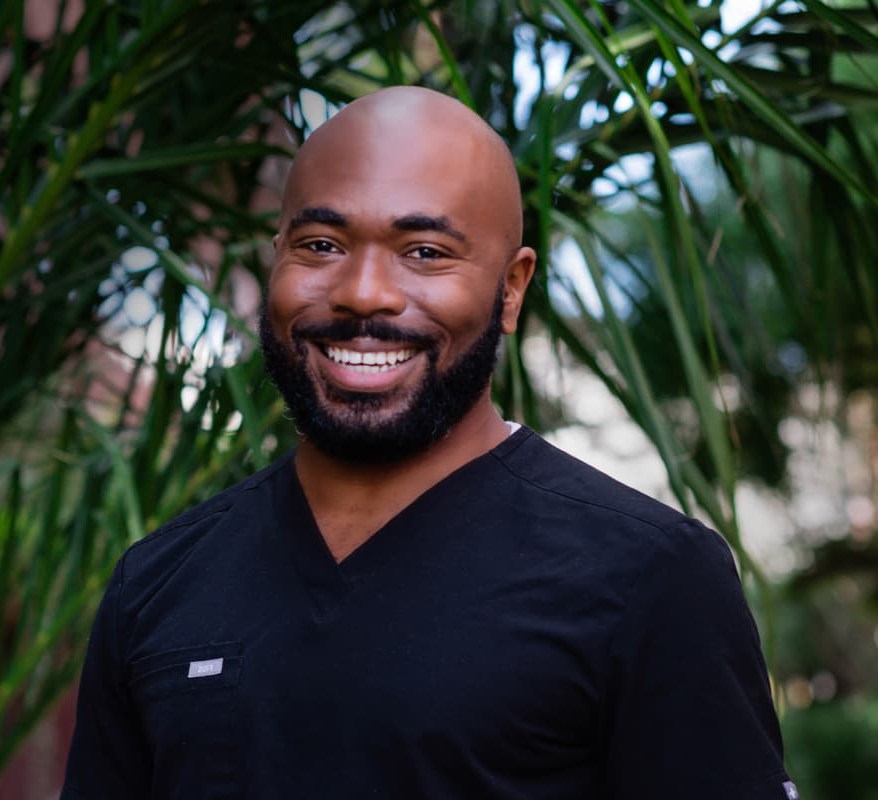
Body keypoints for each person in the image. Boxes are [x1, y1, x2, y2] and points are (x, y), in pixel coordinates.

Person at [60, 86, 795, 799]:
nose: (363, 292)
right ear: (276, 257)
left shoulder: (649, 578)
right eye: (321, 245)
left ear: (511, 289)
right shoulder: (156, 586)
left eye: (424, 252)